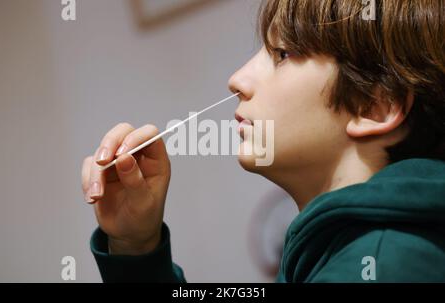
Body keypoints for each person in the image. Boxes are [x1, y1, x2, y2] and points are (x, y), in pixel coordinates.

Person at [81, 0, 445, 282]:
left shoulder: (383, 263)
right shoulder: (340, 249)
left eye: (282, 54)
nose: (237, 79)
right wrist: (136, 248)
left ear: (374, 106)